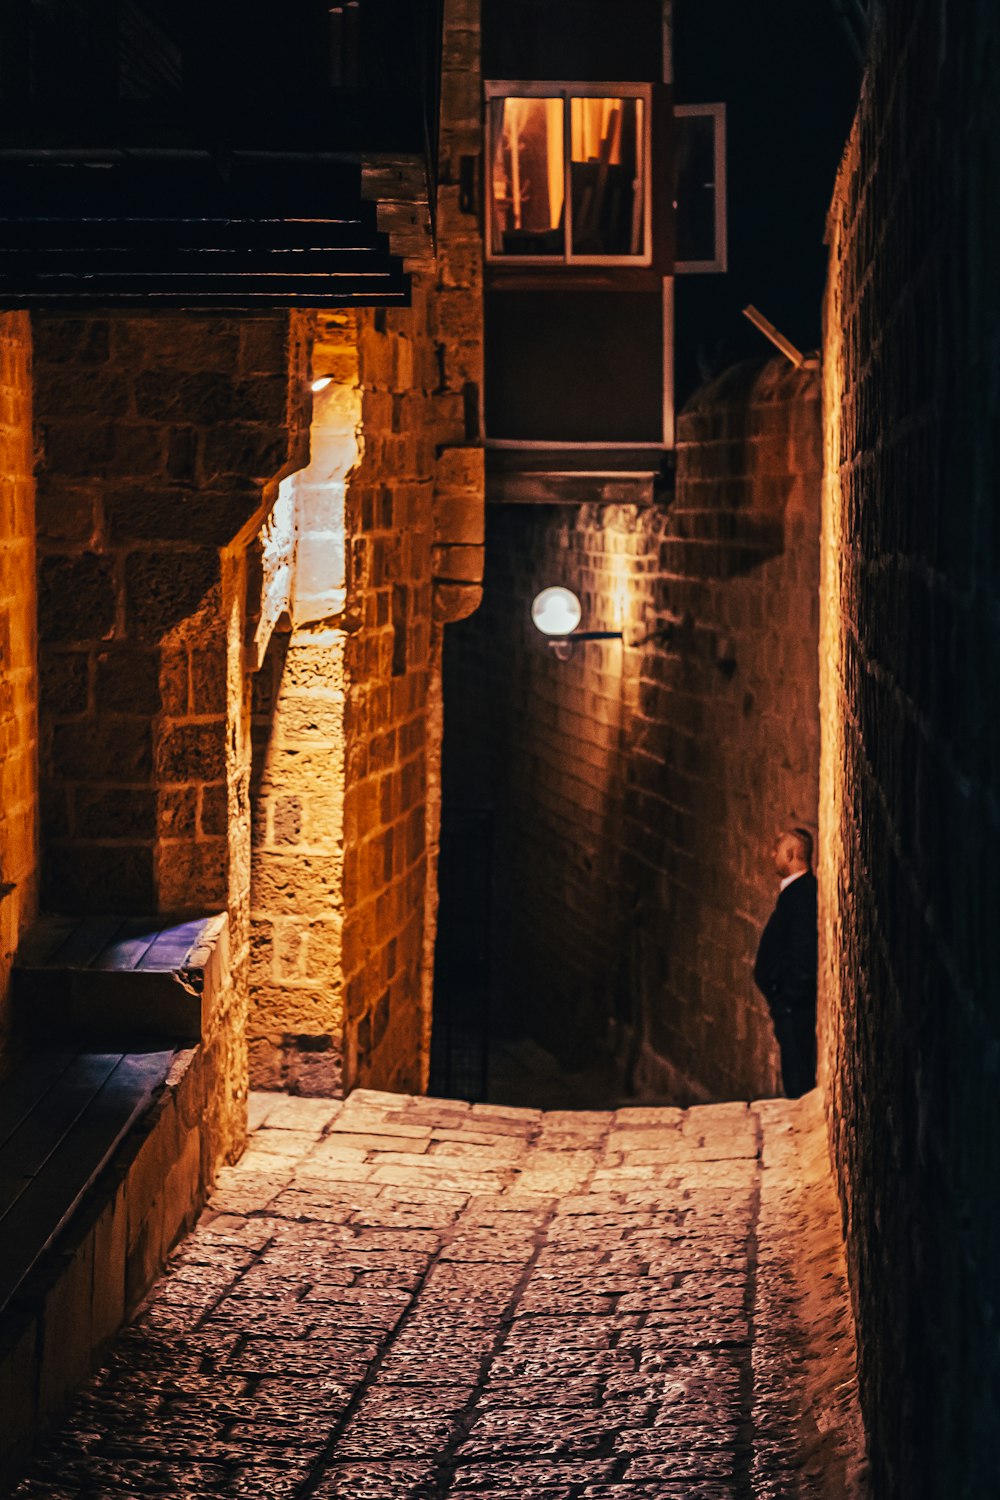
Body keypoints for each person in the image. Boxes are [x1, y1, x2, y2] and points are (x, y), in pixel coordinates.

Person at [753, 825, 818, 1098]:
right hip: (789, 1009)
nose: (772, 855)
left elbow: (803, 954)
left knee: (798, 1082)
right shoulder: (796, 894)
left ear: (791, 854)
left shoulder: (800, 896)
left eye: (777, 850)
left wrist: (785, 997)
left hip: (794, 1011)